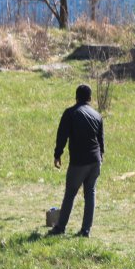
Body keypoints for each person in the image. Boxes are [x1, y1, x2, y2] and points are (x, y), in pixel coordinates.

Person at [49, 84, 104, 237]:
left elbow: (62, 136)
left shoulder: (71, 113)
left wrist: (57, 154)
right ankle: (85, 230)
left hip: (79, 162)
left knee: (70, 193)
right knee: (90, 193)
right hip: (95, 160)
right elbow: (101, 140)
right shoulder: (97, 115)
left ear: (76, 97)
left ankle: (60, 228)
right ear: (90, 98)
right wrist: (101, 157)